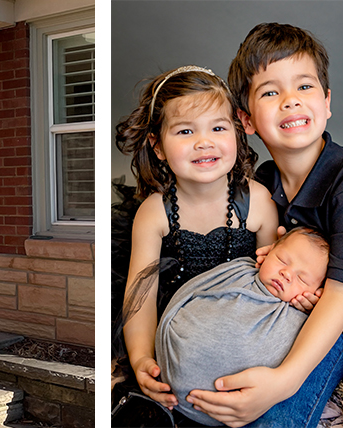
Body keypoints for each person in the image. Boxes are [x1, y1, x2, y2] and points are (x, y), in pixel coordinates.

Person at [183, 23, 343, 427]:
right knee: (270, 417)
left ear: (327, 101)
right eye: (269, 92)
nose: (290, 102)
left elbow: (342, 296)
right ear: (246, 120)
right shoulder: (262, 185)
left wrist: (284, 379)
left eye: (304, 87)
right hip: (307, 308)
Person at [112, 65, 279, 425]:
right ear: (158, 146)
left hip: (242, 339)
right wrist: (142, 359)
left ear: (236, 133)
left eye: (218, 128)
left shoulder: (258, 202)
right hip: (179, 346)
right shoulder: (154, 213)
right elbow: (139, 297)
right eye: (186, 131)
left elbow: (273, 286)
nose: (204, 142)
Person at [155, 227, 329, 426]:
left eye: (302, 278)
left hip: (223, 408)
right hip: (166, 370)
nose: (286, 273)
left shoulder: (295, 317)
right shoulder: (240, 270)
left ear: (316, 293)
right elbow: (190, 292)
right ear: (268, 251)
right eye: (282, 259)